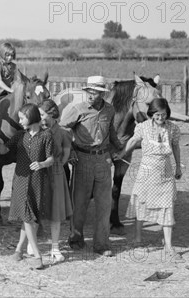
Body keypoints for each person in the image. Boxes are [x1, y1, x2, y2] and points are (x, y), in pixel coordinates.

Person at [59, 75, 123, 257]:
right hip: (82, 159)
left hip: (103, 160)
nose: (90, 95)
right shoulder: (77, 109)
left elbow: (110, 132)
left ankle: (101, 244)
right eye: (88, 91)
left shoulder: (109, 110)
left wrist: (118, 148)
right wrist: (69, 151)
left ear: (102, 94)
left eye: (94, 92)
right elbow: (62, 129)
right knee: (80, 203)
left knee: (104, 204)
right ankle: (76, 239)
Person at [114, 98, 183, 261]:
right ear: (151, 114)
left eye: (164, 115)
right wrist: (122, 154)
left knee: (167, 207)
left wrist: (178, 166)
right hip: (146, 172)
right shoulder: (142, 127)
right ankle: (138, 238)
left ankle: (168, 246)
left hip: (166, 174)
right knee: (141, 204)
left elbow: (175, 147)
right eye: (157, 114)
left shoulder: (173, 128)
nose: (161, 118)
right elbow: (132, 140)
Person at [0, 103, 56, 270]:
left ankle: (18, 250)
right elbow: (4, 151)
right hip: (21, 180)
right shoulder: (19, 135)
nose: (20, 120)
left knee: (29, 216)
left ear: (31, 117)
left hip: (38, 180)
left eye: (22, 118)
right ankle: (38, 256)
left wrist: (42, 164)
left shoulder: (47, 136)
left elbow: (51, 159)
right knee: (28, 217)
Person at [34, 99, 74, 263]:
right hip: (38, 172)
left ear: (51, 114)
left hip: (56, 174)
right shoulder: (37, 130)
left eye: (42, 114)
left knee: (55, 213)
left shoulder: (63, 133)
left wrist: (54, 165)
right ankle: (33, 244)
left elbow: (65, 157)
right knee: (35, 209)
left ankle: (55, 248)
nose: (39, 117)